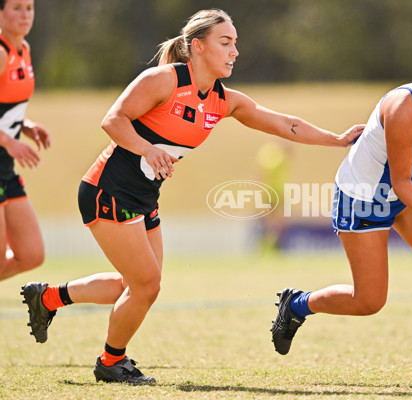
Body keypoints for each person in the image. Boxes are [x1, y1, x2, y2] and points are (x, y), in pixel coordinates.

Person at [20, 8, 362, 384]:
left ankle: (49, 298)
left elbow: (283, 123)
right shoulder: (162, 80)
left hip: (143, 197)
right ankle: (110, 362)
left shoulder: (224, 100)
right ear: (198, 47)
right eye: (225, 42)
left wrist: (337, 139)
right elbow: (113, 120)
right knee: (146, 286)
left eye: (235, 43)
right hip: (108, 190)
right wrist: (147, 150)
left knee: (132, 286)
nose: (234, 51)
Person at [271, 24, 412, 385]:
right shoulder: (405, 108)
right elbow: (399, 182)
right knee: (369, 301)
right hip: (365, 193)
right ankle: (297, 304)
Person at [0, 0, 51, 282]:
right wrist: (10, 142)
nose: (24, 15)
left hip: (5, 169)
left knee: (32, 254)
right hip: (3, 155)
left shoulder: (25, 50)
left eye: (29, 8)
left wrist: (26, 126)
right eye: (16, 7)